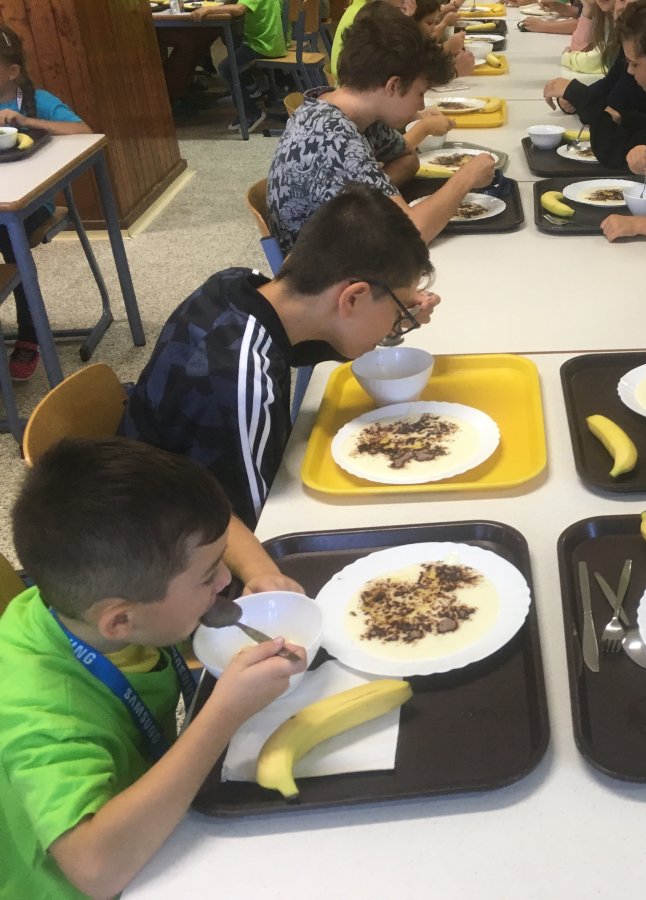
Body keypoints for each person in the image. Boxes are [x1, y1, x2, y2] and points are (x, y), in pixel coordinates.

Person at [0, 437, 308, 898]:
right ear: (120, 621)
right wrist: (222, 714)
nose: (226, 579)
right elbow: (94, 870)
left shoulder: (97, 608)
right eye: (208, 577)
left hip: (153, 816)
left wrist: (260, 570)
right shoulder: (44, 711)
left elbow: (215, 524)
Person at [122, 184, 437, 594]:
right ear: (353, 297)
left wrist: (388, 322)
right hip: (165, 553)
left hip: (162, 478)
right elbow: (247, 527)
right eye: (396, 311)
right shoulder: (242, 384)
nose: (398, 322)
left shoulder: (236, 285)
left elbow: (299, 342)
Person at [268, 2, 492, 252]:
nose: (421, 104)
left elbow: (407, 158)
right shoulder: (331, 138)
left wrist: (370, 192)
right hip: (327, 269)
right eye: (420, 93)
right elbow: (413, 233)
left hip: (344, 248)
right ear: (392, 86)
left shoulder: (354, 110)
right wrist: (465, 178)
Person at [0, 26, 92, 384]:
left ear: (13, 71)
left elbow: (85, 131)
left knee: (9, 241)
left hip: (31, 204)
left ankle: (29, 333)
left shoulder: (36, 100)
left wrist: (26, 122)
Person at [546, 0, 646, 169]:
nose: (630, 71)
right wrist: (622, 117)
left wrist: (584, 99)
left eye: (635, 64)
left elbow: (620, 154)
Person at [189, 0, 284, 133]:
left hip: (262, 45)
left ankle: (251, 112)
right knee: (235, 49)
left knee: (227, 68)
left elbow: (238, 9)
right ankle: (249, 95)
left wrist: (208, 10)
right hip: (270, 41)